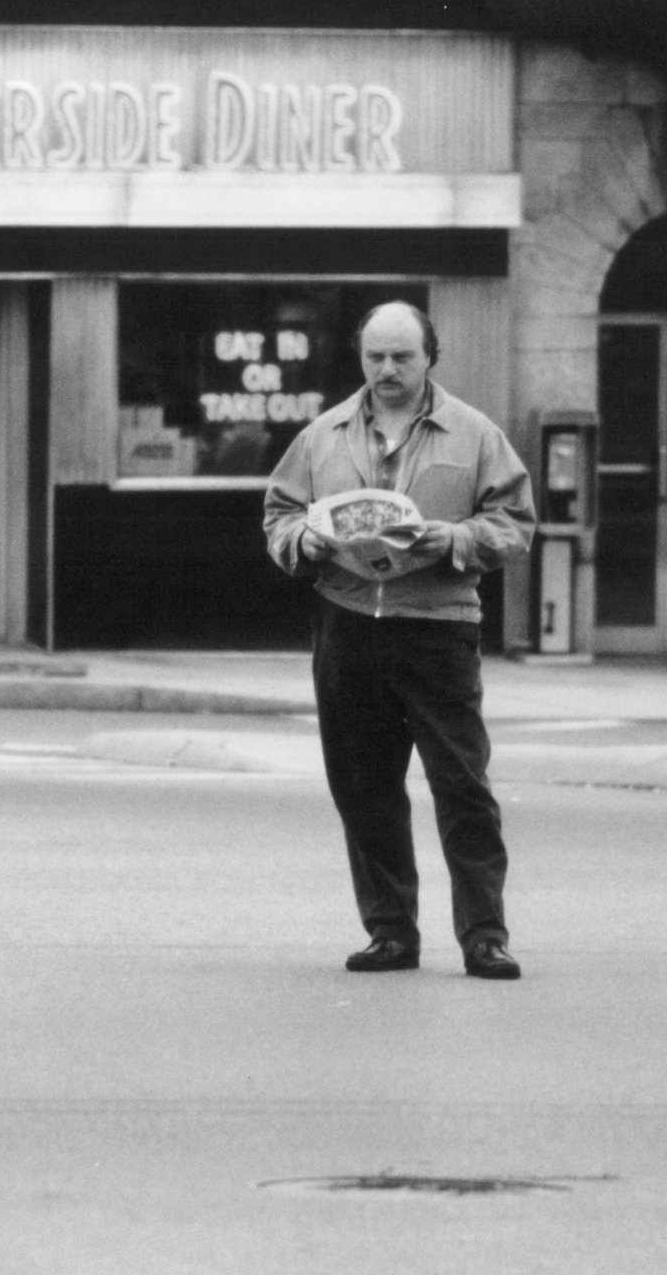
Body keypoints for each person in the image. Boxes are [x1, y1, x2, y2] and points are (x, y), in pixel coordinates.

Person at [264, 301, 536, 979]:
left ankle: (484, 934)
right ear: (361, 357)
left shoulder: (474, 434)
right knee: (364, 787)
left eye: (402, 357)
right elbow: (279, 512)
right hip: (348, 623)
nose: (387, 370)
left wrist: (457, 538)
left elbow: (515, 521)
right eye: (375, 357)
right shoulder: (323, 434)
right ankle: (390, 930)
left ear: (430, 357)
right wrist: (304, 539)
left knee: (462, 784)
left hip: (439, 626)